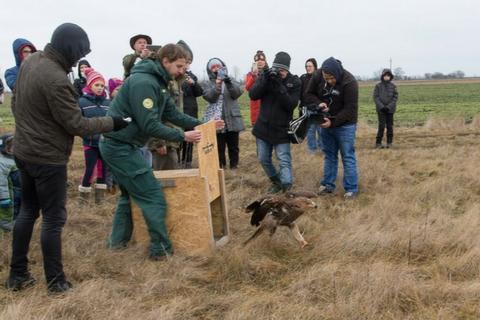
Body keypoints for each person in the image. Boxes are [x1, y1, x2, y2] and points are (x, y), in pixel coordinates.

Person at [5, 23, 129, 294]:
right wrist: (113, 122)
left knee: (27, 211)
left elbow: (16, 104)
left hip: (24, 152)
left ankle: (17, 275)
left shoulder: (32, 61)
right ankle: (56, 282)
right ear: (70, 49)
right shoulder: (56, 78)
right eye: (79, 52)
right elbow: (78, 125)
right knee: (53, 218)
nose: (78, 58)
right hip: (47, 159)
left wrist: (30, 128)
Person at [99, 44, 224, 261]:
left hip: (127, 145)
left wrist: (203, 125)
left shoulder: (159, 82)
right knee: (152, 195)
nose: (182, 71)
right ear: (165, 61)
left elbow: (173, 114)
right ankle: (161, 251)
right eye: (179, 66)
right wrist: (183, 136)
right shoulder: (144, 83)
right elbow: (149, 124)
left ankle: (116, 245)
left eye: (184, 67)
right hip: (118, 146)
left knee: (129, 195)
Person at [305, 57, 359, 199]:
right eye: (326, 78)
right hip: (326, 122)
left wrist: (333, 123)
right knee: (329, 155)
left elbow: (350, 109)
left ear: (337, 74)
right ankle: (328, 185)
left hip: (346, 124)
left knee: (347, 156)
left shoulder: (350, 82)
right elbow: (308, 94)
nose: (329, 81)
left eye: (331, 79)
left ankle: (351, 189)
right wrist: (319, 103)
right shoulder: (318, 75)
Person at [249, 52, 301, 193]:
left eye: (282, 70)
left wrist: (279, 86)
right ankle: (277, 182)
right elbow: (253, 95)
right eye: (277, 69)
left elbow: (290, 104)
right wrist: (265, 79)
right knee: (263, 158)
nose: (280, 73)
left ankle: (287, 188)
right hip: (263, 127)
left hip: (282, 129)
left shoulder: (295, 82)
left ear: (287, 69)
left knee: (284, 160)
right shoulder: (266, 77)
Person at [203, 58, 245, 169]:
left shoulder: (231, 80)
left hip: (232, 118)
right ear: (210, 70)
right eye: (213, 67)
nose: (216, 69)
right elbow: (210, 97)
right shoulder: (207, 83)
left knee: (234, 146)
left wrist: (228, 82)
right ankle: (221, 167)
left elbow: (236, 93)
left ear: (223, 66)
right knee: (219, 147)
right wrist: (217, 85)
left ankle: (234, 167)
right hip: (217, 120)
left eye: (218, 66)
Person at [78, 68, 111, 204]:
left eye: (102, 85)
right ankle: (83, 200)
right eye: (97, 85)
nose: (99, 88)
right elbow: (78, 122)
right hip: (90, 143)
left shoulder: (108, 104)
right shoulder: (82, 102)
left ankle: (100, 200)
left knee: (103, 170)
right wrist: (86, 135)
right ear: (90, 85)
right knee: (90, 170)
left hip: (104, 143)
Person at [179, 42, 203, 168]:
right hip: (178, 112)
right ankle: (177, 161)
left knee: (190, 137)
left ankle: (187, 161)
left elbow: (199, 93)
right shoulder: (174, 75)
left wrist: (193, 83)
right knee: (178, 137)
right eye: (185, 61)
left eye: (189, 61)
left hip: (190, 111)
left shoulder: (192, 76)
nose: (187, 64)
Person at [300, 58, 322, 154]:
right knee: (310, 131)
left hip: (318, 109)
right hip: (307, 109)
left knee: (321, 131)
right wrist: (301, 106)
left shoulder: (320, 78)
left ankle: (322, 149)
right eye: (306, 66)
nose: (308, 68)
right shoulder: (303, 78)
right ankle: (312, 151)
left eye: (310, 66)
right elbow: (299, 94)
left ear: (315, 67)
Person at [373, 68, 398, 149]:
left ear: (390, 77)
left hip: (390, 110)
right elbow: (376, 97)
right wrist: (382, 107)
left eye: (388, 75)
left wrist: (388, 107)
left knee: (390, 126)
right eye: (385, 75)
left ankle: (389, 143)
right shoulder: (378, 86)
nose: (387, 77)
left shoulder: (393, 86)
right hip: (381, 110)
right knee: (381, 126)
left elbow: (395, 97)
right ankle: (378, 143)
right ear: (382, 76)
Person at [0, 134, 18, 232]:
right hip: (8, 195)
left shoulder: (16, 160)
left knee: (18, 211)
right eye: (11, 147)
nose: (14, 149)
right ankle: (6, 230)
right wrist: (3, 198)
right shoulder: (3, 163)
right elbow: (1, 182)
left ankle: (15, 227)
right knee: (7, 213)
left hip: (18, 192)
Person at [245, 51, 268, 126]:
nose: (260, 62)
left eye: (262, 60)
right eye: (257, 60)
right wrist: (253, 76)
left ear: (265, 61)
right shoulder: (250, 75)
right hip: (256, 112)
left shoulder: (269, 74)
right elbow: (248, 88)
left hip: (269, 112)